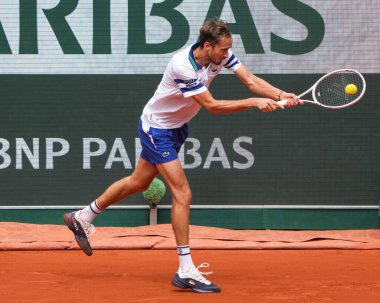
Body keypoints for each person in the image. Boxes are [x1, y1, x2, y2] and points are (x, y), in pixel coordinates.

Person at [64, 18, 301, 293]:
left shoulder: (220, 55)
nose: (227, 55)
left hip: (175, 128)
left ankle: (83, 216)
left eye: (228, 50)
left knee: (139, 182)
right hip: (157, 129)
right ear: (208, 45)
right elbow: (212, 106)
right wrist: (253, 103)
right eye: (223, 50)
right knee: (182, 193)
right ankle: (185, 269)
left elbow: (250, 80)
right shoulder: (182, 65)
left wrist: (281, 93)